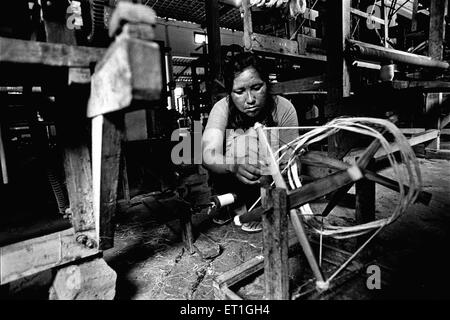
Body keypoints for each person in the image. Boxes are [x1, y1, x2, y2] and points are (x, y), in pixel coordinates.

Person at [202, 52, 299, 233]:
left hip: (267, 179)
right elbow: (207, 155)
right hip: (230, 177)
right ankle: (230, 200)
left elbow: (290, 161)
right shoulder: (222, 108)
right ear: (230, 92)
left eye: (256, 87)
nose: (250, 100)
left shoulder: (284, 109)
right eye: (239, 92)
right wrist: (234, 166)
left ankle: (254, 202)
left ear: (267, 84)